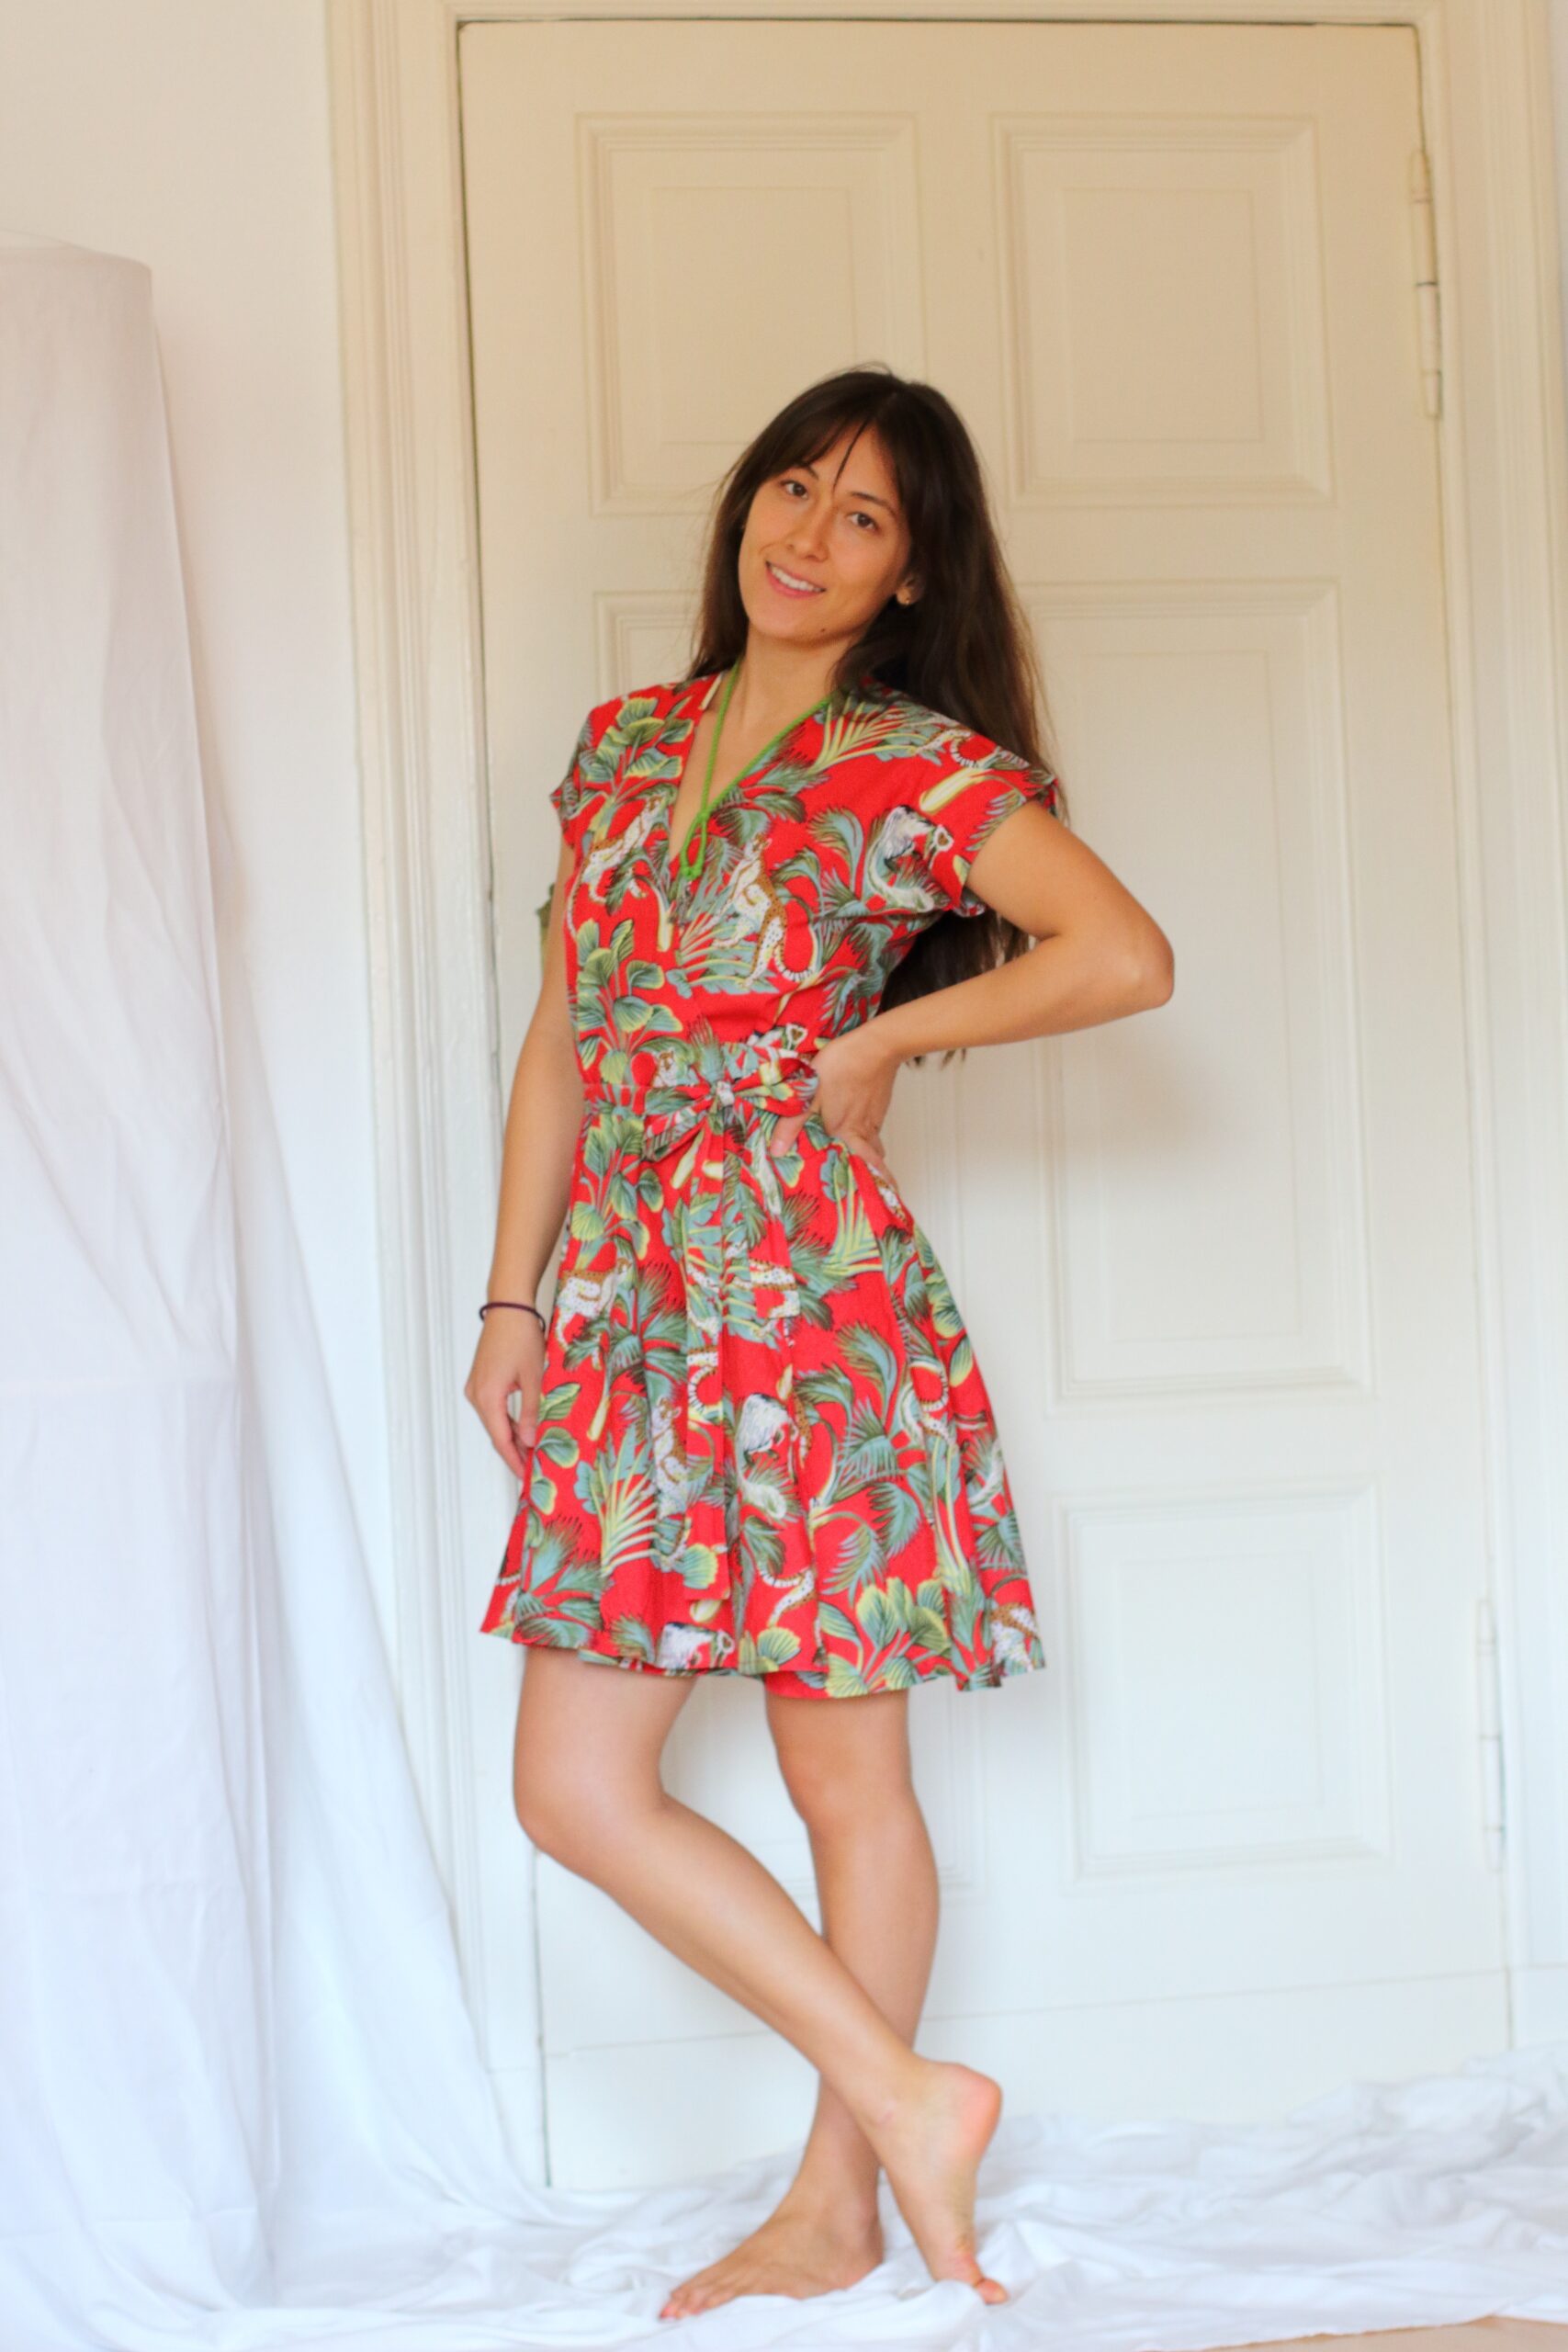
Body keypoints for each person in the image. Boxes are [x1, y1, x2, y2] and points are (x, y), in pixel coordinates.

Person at [464, 365, 1174, 2318]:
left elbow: (1122, 954)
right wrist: (515, 1296)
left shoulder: (912, 764)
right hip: (628, 1308)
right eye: (793, 487)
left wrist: (886, 1035)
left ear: (908, 571)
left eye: (863, 515)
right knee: (575, 1784)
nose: (808, 533)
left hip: (809, 1308)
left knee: (842, 1778)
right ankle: (907, 2090)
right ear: (745, 506)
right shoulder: (624, 744)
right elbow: (567, 1036)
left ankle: (839, 2198)